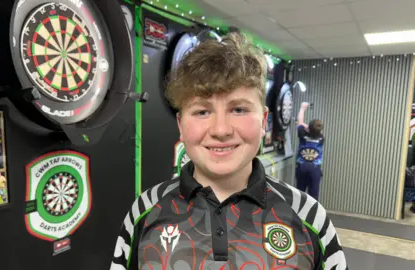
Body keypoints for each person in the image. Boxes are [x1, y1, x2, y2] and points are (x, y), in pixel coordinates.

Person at [110, 33, 347, 270]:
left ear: (263, 120)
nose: (221, 130)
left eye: (239, 109)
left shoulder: (310, 218)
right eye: (202, 112)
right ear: (181, 125)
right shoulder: (144, 211)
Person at [295, 102, 325, 200]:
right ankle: (313, 214)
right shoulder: (321, 139)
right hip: (315, 169)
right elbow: (310, 128)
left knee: (300, 194)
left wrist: (302, 108)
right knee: (314, 196)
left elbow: (300, 122)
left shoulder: (302, 136)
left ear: (308, 129)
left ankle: (298, 214)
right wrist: (305, 125)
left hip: (302, 168)